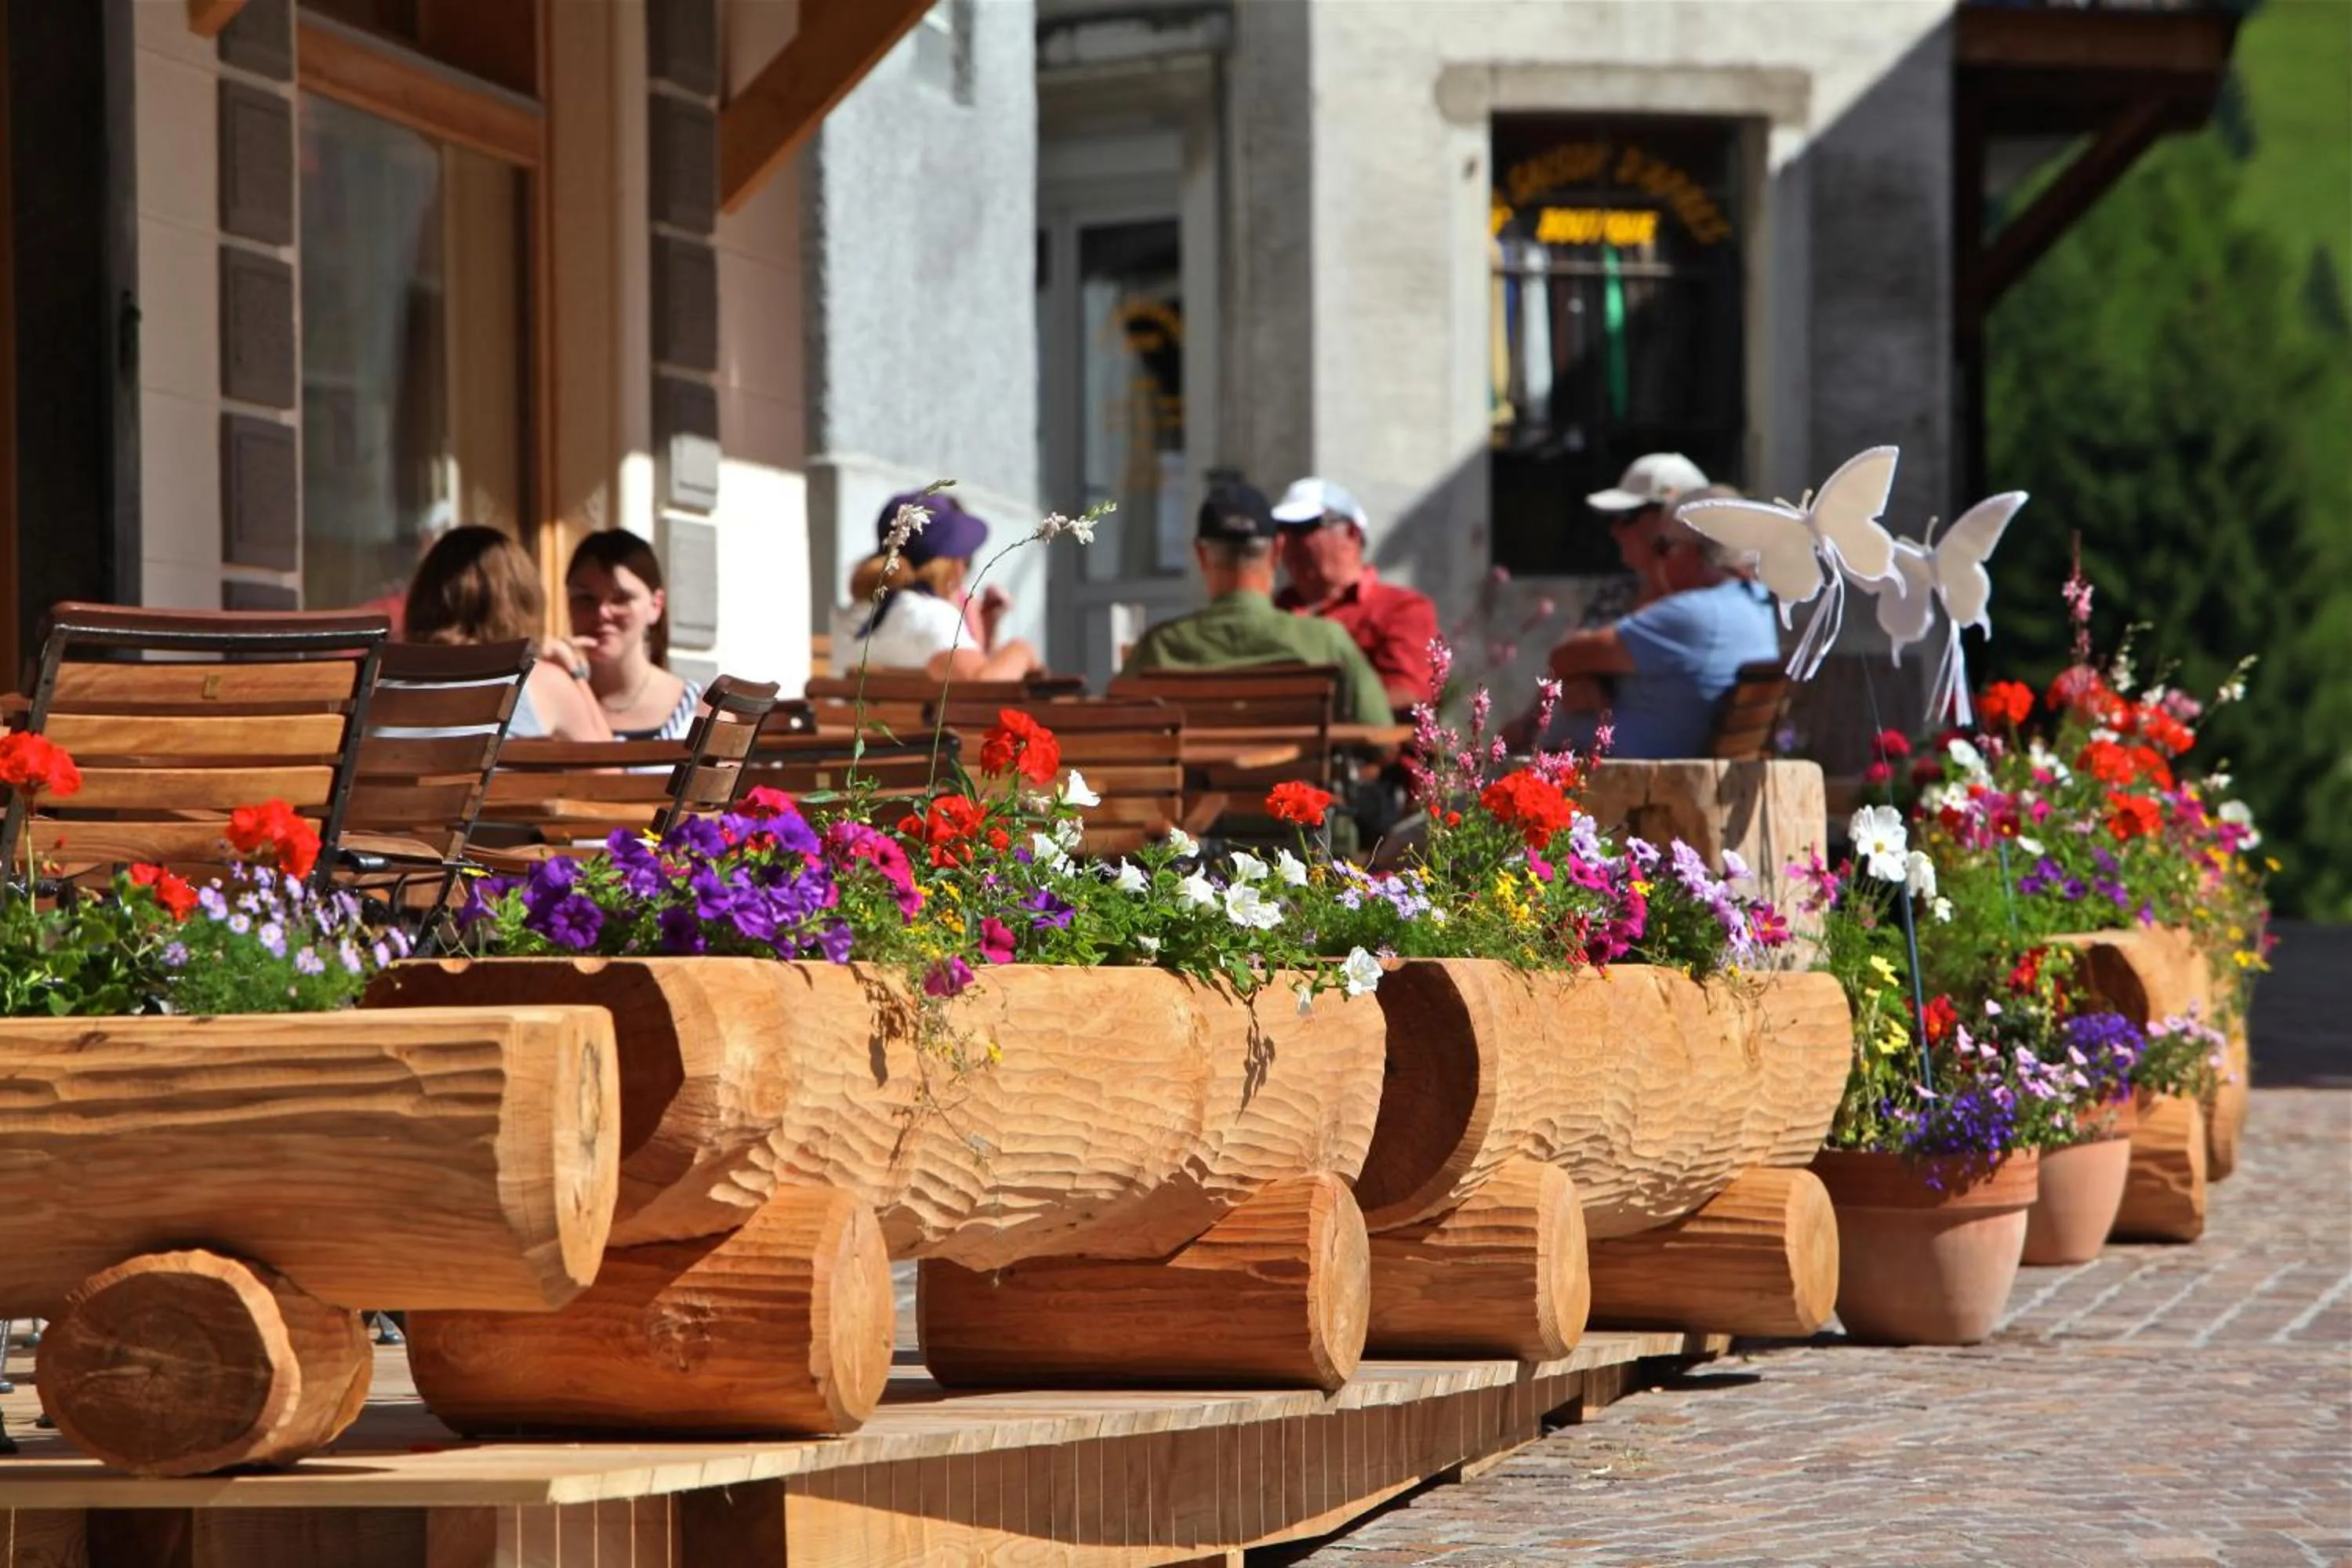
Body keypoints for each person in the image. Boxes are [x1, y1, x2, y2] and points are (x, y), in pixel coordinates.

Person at [1120, 482, 1392, 727]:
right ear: (1277, 551)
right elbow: (1381, 738)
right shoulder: (1326, 641)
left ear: (1201, 555)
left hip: (1190, 783)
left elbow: (1116, 725)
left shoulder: (1159, 647)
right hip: (1298, 783)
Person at [1535, 493, 1780, 758]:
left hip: (1628, 777)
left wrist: (1587, 675)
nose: (1658, 560)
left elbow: (1562, 657)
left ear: (1693, 550)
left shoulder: (1691, 615)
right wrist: (1589, 679)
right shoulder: (1753, 602)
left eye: (1664, 546)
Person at [403, 526, 612, 742]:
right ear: (523, 600)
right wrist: (575, 673)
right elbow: (609, 769)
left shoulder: (379, 688)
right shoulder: (540, 684)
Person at [830, 491, 1044, 681]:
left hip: (854, 725)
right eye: (961, 556)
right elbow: (981, 685)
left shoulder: (850, 616)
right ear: (950, 565)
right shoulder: (930, 616)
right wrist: (1021, 650)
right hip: (921, 727)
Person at [1269, 477, 1441, 711]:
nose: (1285, 542)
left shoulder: (1403, 609)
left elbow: (1408, 695)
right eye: (1280, 530)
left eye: (1303, 528)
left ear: (1351, 532)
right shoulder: (1271, 611)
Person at [566, 532, 703, 742]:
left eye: (621, 598)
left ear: (655, 605)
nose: (602, 612)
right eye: (586, 598)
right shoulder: (547, 700)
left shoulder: (699, 711)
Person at [1576, 452, 1710, 627]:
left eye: (1625, 516)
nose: (1615, 530)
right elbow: (1572, 653)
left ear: (1668, 520)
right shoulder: (1615, 598)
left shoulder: (1723, 604)